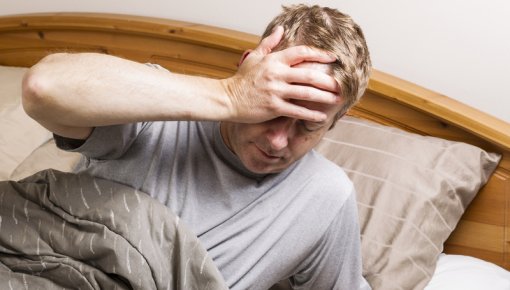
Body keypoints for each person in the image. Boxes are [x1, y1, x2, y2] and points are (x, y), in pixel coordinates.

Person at [22, 4, 371, 290]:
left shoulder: (325, 197)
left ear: (335, 121)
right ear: (248, 65)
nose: (278, 141)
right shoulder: (158, 103)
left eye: (309, 126)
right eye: (272, 110)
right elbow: (42, 87)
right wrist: (231, 95)